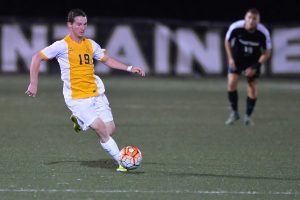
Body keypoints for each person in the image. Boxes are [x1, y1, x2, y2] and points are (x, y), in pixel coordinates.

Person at [25, 9, 145, 172]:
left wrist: (130, 68)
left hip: (96, 93)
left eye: (85, 24)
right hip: (77, 98)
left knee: (110, 130)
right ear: (70, 25)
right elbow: (36, 58)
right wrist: (33, 83)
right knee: (102, 131)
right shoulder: (62, 45)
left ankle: (80, 122)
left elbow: (107, 60)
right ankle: (123, 162)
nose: (82, 27)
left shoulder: (90, 44)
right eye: (79, 24)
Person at [224, 8, 272, 126]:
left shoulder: (263, 33)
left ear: (258, 21)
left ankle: (248, 116)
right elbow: (227, 41)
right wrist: (230, 59)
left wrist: (256, 66)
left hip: (252, 61)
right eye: (249, 18)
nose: (251, 21)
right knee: (231, 83)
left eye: (254, 19)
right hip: (237, 58)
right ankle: (234, 113)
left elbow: (267, 52)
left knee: (252, 88)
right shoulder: (236, 27)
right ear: (245, 18)